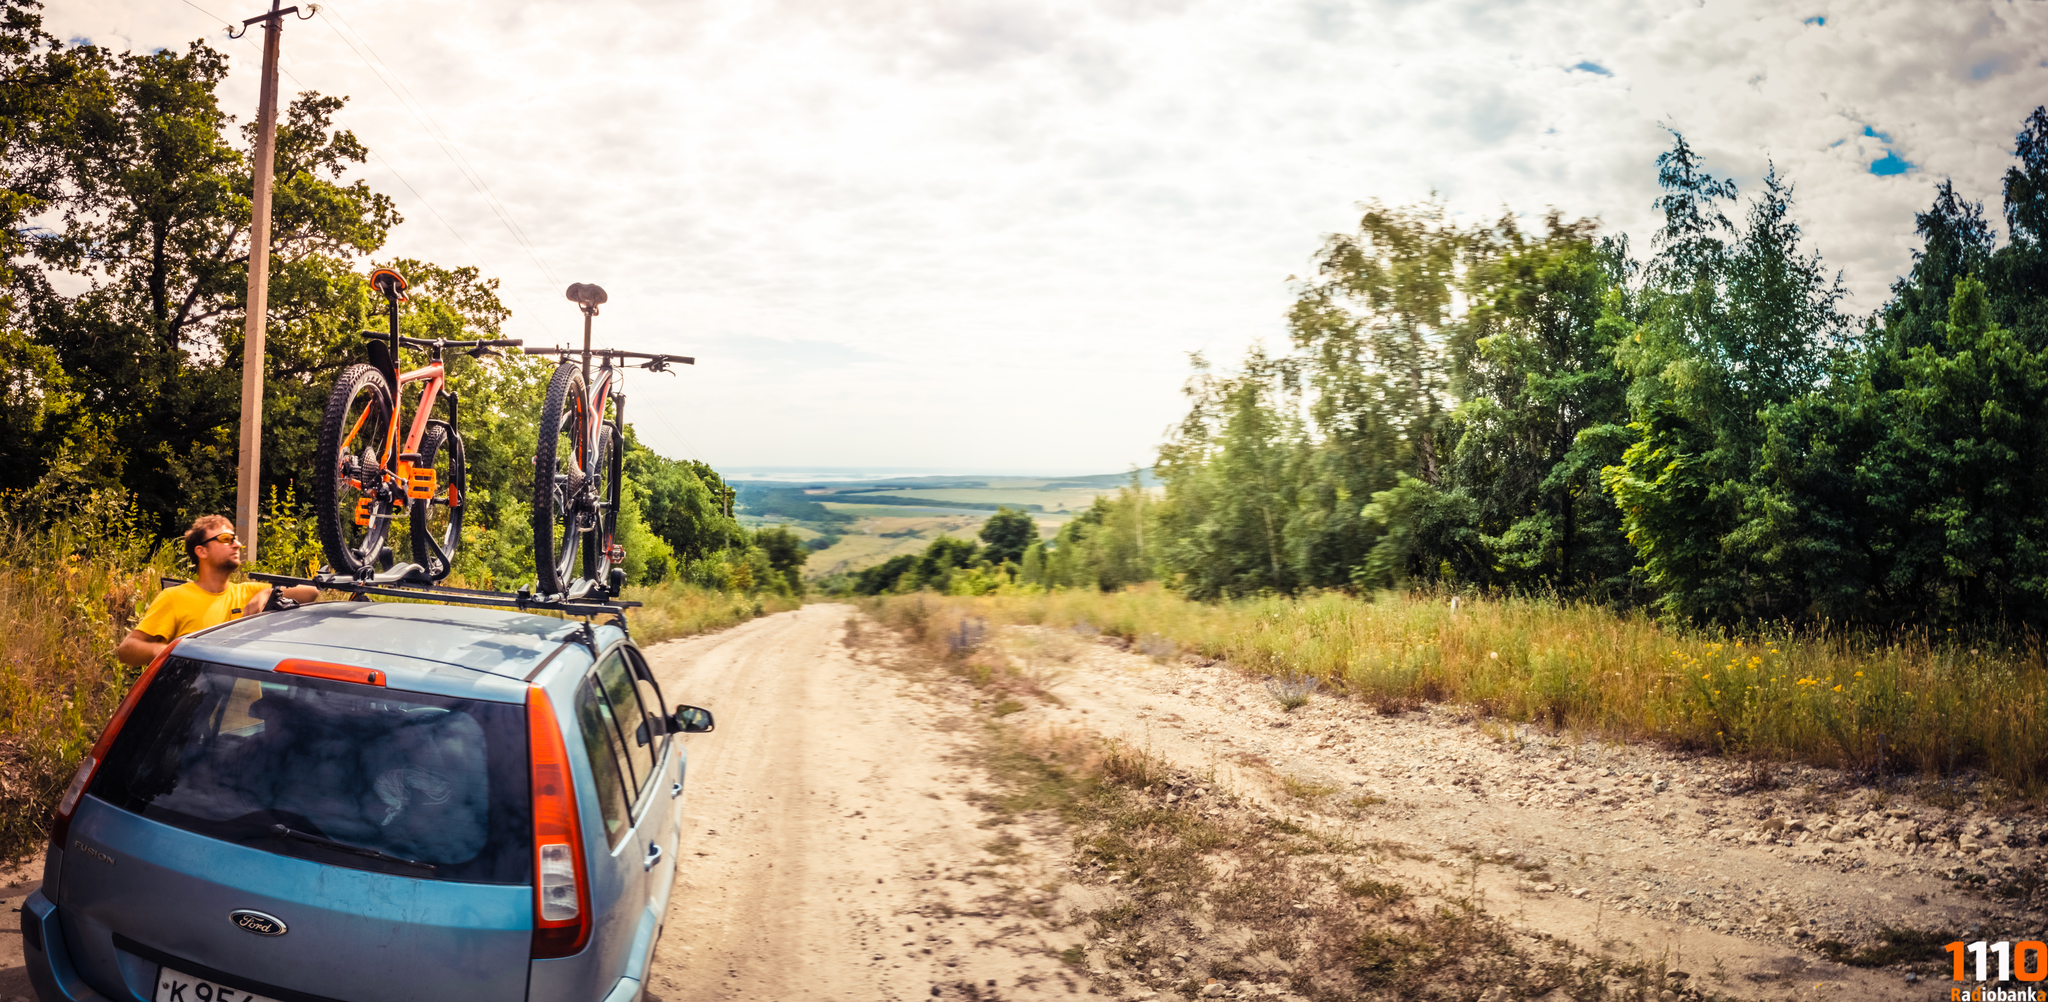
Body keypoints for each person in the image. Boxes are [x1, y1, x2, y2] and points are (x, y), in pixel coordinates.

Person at [115, 515, 319, 666]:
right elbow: (126, 650)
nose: (237, 544)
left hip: (250, 718)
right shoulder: (174, 598)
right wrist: (167, 651)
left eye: (235, 539)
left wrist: (268, 593)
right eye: (225, 539)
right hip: (196, 717)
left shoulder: (247, 592)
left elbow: (311, 592)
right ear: (201, 551)